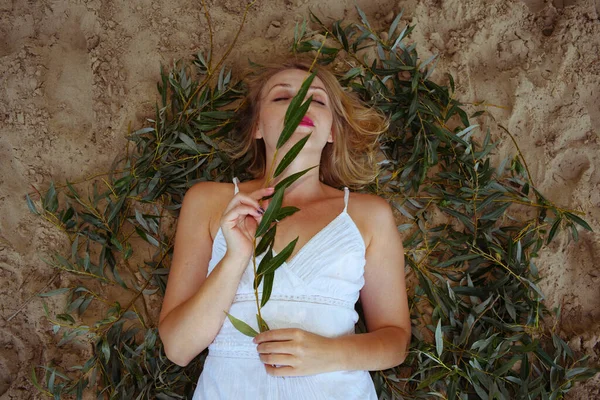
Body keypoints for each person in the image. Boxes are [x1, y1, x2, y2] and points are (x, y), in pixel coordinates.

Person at [158, 57, 411, 399]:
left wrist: (329, 353)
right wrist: (236, 258)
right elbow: (178, 347)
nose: (301, 104)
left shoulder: (368, 214)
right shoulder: (209, 203)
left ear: (333, 130)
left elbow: (395, 341)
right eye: (281, 97)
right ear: (257, 126)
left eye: (317, 99)